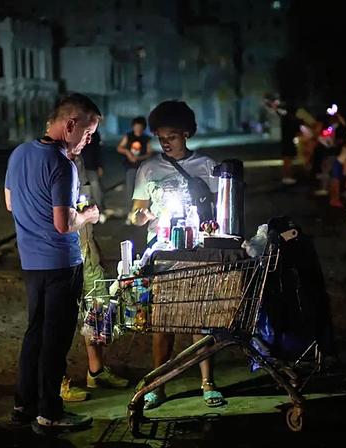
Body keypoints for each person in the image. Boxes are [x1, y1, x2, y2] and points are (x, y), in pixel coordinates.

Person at [4, 93, 101, 435]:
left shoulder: (19, 153)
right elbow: (63, 224)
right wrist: (87, 215)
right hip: (61, 264)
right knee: (55, 341)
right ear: (70, 125)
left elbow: (11, 204)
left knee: (34, 334)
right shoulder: (62, 164)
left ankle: (23, 405)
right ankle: (50, 413)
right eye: (88, 133)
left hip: (31, 262)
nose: (88, 141)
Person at [128, 100, 224, 410]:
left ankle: (207, 382)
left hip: (199, 252)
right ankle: (159, 383)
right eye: (159, 136)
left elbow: (221, 213)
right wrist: (140, 218)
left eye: (170, 135)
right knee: (163, 320)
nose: (164, 142)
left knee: (201, 318)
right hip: (162, 253)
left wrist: (214, 224)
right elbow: (137, 213)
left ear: (186, 133)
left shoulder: (208, 167)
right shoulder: (149, 168)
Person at [58, 129, 129, 404]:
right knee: (61, 319)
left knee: (97, 306)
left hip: (86, 248)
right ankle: (58, 381)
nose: (91, 140)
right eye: (87, 133)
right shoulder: (52, 163)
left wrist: (93, 242)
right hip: (61, 255)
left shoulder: (80, 163)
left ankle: (96, 371)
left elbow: (87, 204)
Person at [117, 116, 153, 206]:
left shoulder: (146, 139)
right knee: (130, 189)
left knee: (143, 189)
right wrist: (127, 152)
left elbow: (149, 153)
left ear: (143, 128)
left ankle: (142, 209)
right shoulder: (129, 136)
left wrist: (139, 158)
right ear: (133, 126)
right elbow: (119, 148)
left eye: (140, 127)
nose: (138, 129)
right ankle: (129, 211)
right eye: (136, 127)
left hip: (143, 167)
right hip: (130, 167)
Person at [80, 130, 108, 223]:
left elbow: (98, 150)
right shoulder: (78, 131)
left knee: (96, 188)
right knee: (84, 191)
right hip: (80, 167)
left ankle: (100, 211)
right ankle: (85, 214)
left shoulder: (95, 134)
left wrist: (100, 165)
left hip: (92, 166)